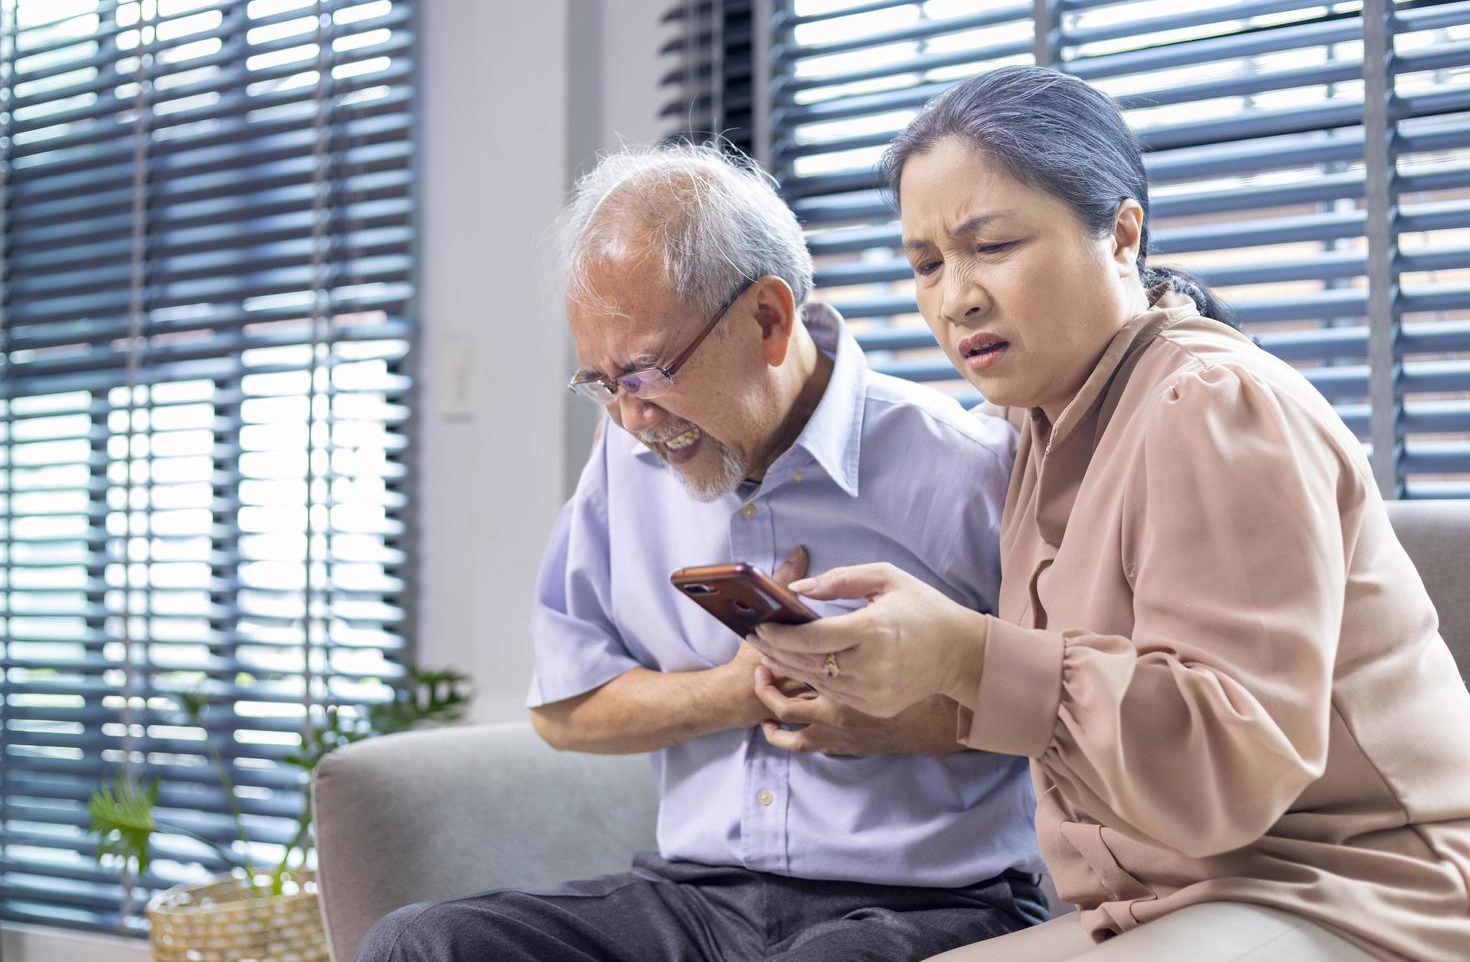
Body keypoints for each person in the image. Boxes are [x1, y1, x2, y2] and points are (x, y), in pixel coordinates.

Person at [749, 66, 1470, 962]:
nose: (955, 296)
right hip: (1162, 905)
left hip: (1357, 896)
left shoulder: (1215, 404)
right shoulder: (1037, 426)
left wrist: (964, 655)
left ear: (1122, 234)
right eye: (927, 263)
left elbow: (1228, 766)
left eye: (994, 246)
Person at [356, 143, 1046, 962]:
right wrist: (739, 692)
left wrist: (905, 716)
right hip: (695, 901)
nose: (630, 420)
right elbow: (566, 709)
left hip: (930, 903)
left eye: (648, 371)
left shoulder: (968, 469)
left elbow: (1070, 714)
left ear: (768, 317)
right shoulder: (624, 461)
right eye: (602, 383)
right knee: (420, 944)